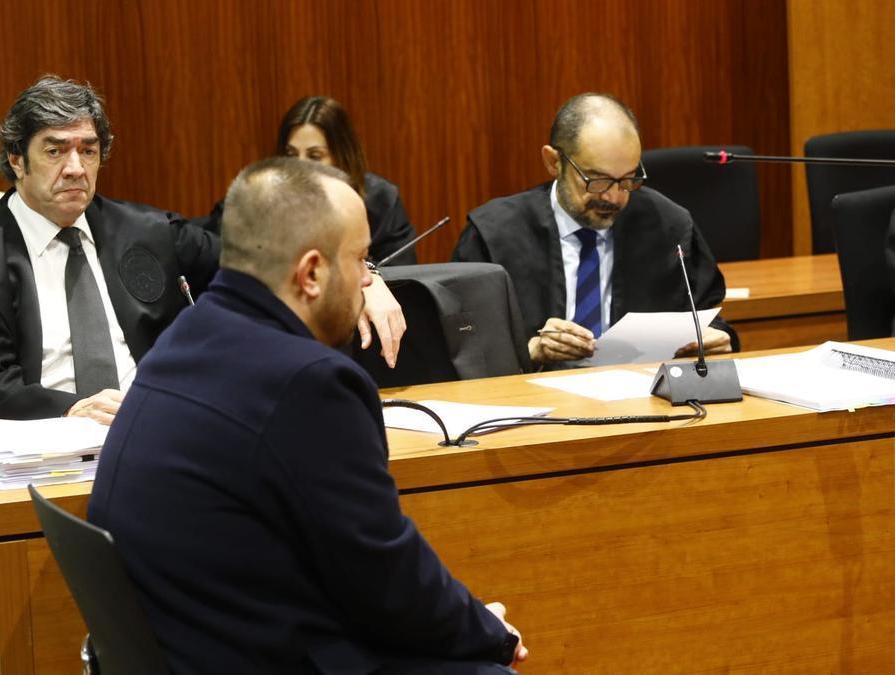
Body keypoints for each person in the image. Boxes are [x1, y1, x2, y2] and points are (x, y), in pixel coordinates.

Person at [88, 157, 528, 674]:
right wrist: (488, 632)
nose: (368, 279)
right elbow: (384, 576)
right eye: (363, 259)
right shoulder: (309, 382)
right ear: (313, 273)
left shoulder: (185, 335)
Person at [0, 77, 406, 429]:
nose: (74, 168)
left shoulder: (148, 232)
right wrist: (71, 408)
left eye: (88, 151)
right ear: (15, 159)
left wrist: (362, 272)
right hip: (42, 453)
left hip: (162, 435)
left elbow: (257, 262)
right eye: (54, 151)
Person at [452, 93, 738, 367]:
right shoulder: (494, 234)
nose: (614, 197)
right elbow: (462, 343)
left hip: (643, 397)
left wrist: (719, 338)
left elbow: (708, 316)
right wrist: (530, 351)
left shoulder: (668, 226)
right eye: (597, 181)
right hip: (531, 401)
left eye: (627, 180)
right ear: (554, 162)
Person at [197, 95, 419, 266]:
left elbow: (400, 275)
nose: (299, 166)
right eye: (292, 154)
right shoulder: (261, 196)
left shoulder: (381, 201)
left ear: (341, 157)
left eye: (314, 156)